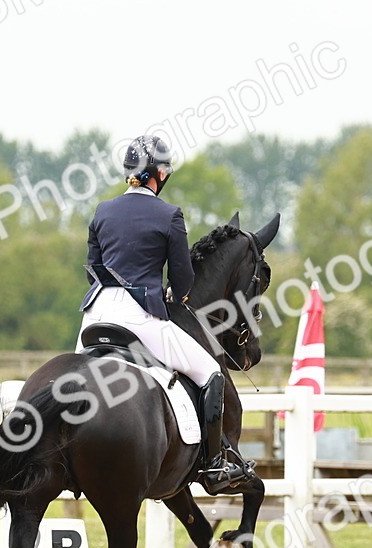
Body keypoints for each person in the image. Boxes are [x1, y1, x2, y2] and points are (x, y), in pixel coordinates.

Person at [77, 134, 250, 494]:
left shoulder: (102, 211)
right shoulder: (169, 214)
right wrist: (174, 293)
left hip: (94, 317)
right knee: (212, 374)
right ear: (159, 175)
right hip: (142, 318)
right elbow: (183, 279)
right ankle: (216, 465)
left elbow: (92, 267)